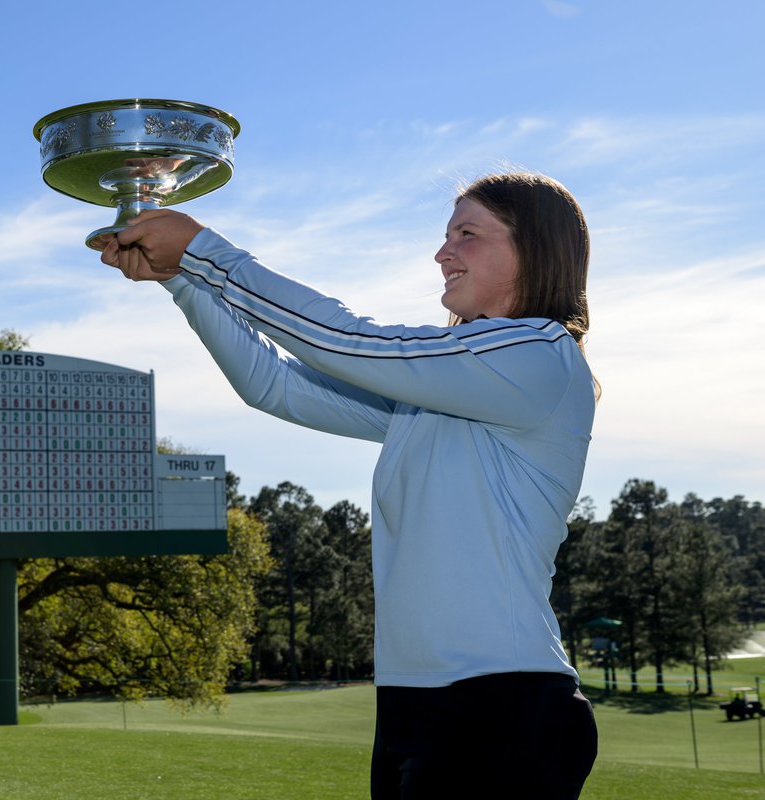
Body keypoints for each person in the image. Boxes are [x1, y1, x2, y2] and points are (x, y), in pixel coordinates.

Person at [100, 171, 599, 799]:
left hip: (504, 703)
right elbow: (272, 385)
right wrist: (183, 280)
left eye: (466, 235)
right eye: (446, 237)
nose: (442, 254)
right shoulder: (441, 392)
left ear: (536, 249)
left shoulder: (538, 354)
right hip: (411, 704)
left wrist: (204, 250)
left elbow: (345, 340)